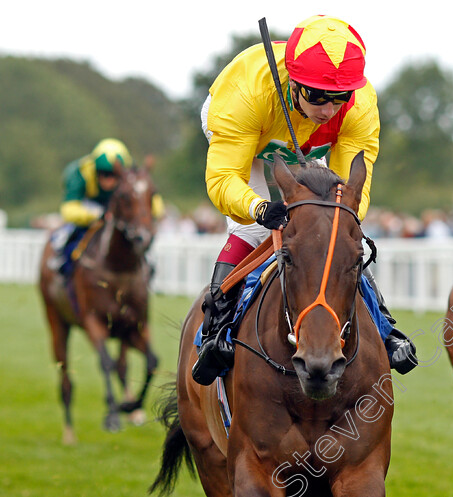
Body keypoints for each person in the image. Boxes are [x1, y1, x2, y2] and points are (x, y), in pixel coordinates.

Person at [193, 14, 416, 385]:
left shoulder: (359, 106)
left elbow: (352, 192)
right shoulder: (247, 89)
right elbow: (223, 179)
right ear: (294, 82)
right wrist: (260, 208)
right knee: (250, 229)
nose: (328, 109)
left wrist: (335, 224)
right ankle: (214, 328)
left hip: (306, 144)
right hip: (250, 131)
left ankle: (383, 324)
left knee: (334, 236)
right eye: (316, 96)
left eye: (339, 98)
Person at [49, 138, 163, 274]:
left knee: (139, 237)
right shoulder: (79, 172)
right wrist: (95, 216)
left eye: (113, 175)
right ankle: (61, 260)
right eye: (103, 174)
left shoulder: (132, 175)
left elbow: (154, 205)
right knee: (66, 234)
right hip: (90, 206)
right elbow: (68, 210)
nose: (108, 181)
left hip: (119, 209)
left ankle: (147, 265)